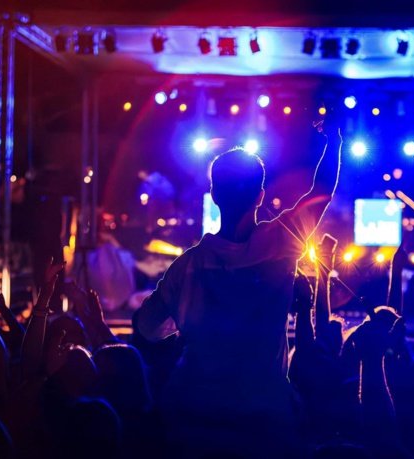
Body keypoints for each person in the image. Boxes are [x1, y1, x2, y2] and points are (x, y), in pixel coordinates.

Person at [135, 114, 342, 457]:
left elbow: (146, 328)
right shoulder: (281, 242)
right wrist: (333, 142)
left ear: (213, 194)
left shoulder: (186, 267)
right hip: (266, 423)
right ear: (260, 196)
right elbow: (320, 191)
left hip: (194, 423)